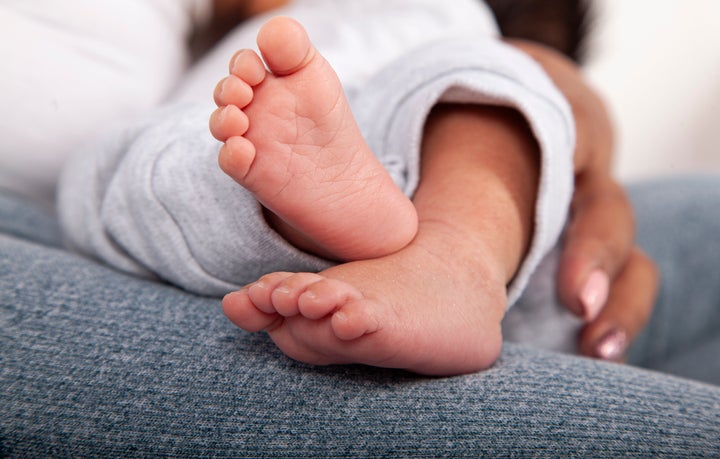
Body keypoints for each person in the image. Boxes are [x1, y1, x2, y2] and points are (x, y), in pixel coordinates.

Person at [2, 1, 718, 456]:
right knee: (482, 93)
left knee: (126, 172)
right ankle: (430, 246)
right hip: (513, 285)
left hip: (437, 231)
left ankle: (379, 236)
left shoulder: (384, 24)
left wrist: (547, 94)